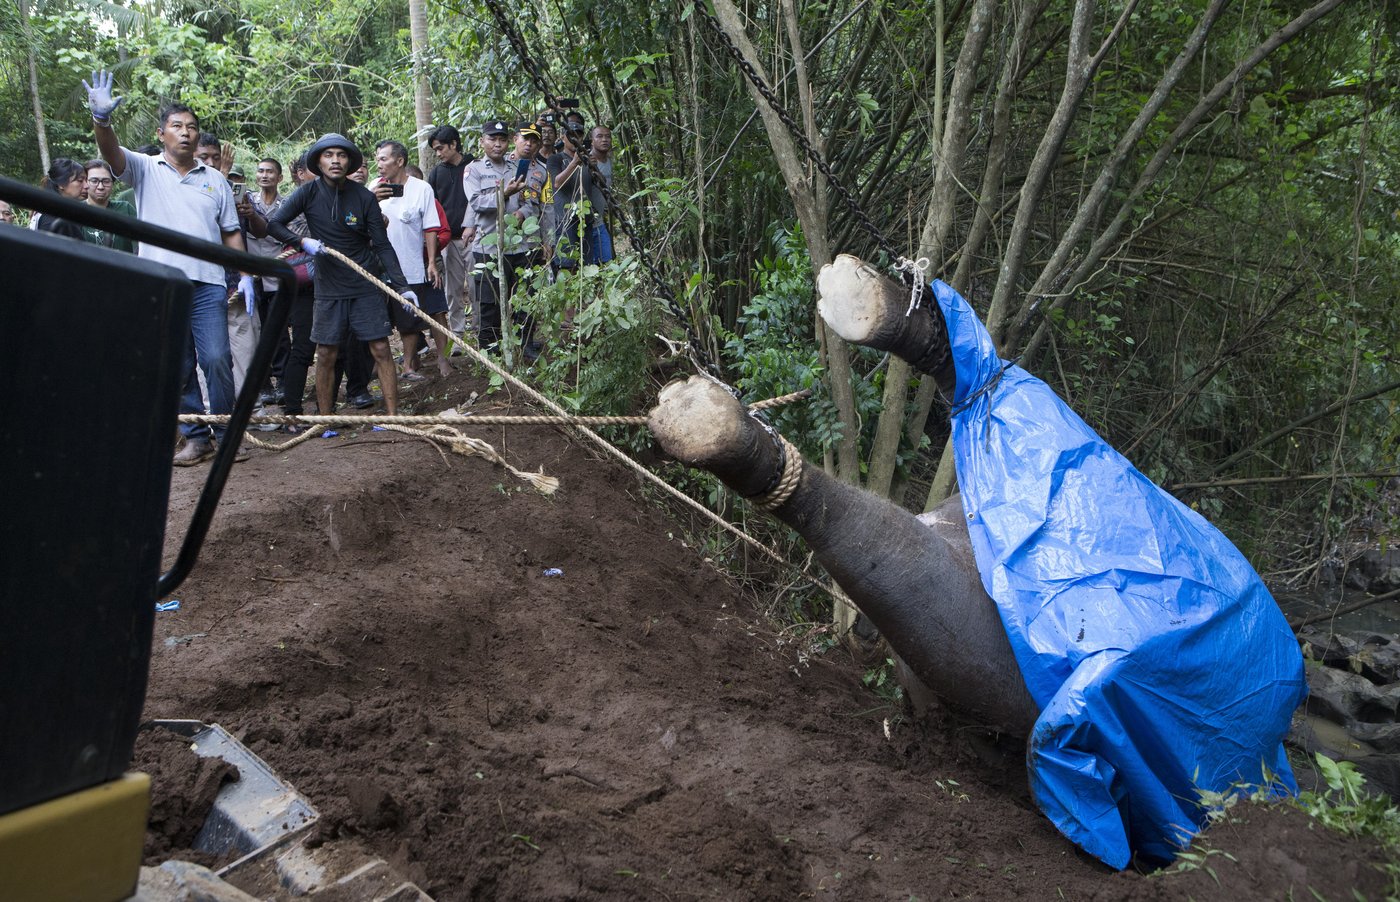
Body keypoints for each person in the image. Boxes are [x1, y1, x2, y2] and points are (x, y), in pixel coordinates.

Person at [84, 70, 256, 466]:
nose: (186, 133)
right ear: (162, 134)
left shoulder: (215, 180)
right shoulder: (145, 168)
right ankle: (197, 438)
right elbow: (112, 155)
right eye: (177, 126)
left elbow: (230, 233)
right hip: (163, 283)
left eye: (192, 127)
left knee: (215, 358)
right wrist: (102, 121)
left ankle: (228, 434)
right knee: (178, 364)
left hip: (209, 283)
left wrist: (246, 274)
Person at [265, 133, 414, 418]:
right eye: (328, 155)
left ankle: (394, 416)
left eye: (342, 155)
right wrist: (302, 243)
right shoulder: (307, 193)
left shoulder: (364, 197)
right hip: (328, 285)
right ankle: (325, 419)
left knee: (381, 348)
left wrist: (402, 285)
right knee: (326, 353)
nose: (336, 160)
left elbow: (381, 244)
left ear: (350, 161)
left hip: (364, 283)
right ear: (319, 161)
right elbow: (274, 224)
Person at [371, 140, 452, 379]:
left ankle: (429, 361)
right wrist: (371, 198)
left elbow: (430, 228)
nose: (379, 164)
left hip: (413, 263)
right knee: (390, 319)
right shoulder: (374, 187)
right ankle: (395, 365)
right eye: (377, 159)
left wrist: (430, 263)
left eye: (383, 159)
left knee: (423, 315)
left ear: (400, 161)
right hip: (381, 266)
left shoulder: (422, 189)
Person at [463, 120, 538, 354]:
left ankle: (525, 346)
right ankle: (490, 352)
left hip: (518, 246)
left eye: (502, 139)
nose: (497, 144)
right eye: (492, 139)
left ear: (508, 142)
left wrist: (521, 212)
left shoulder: (517, 167)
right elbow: (476, 203)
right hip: (488, 247)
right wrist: (503, 194)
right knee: (490, 303)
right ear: (482, 141)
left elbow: (530, 203)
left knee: (524, 299)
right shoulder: (473, 169)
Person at [427, 125, 472, 337]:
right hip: (449, 240)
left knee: (477, 286)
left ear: (454, 144)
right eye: (435, 149)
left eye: (440, 148)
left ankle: (483, 332)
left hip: (475, 237)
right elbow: (432, 207)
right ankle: (457, 333)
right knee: (452, 290)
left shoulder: (474, 166)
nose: (438, 153)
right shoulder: (436, 173)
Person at [545, 112, 596, 272]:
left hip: (585, 220)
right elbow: (557, 182)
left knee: (586, 266)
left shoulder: (587, 159)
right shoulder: (556, 159)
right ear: (563, 137)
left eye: (578, 135)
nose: (575, 139)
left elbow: (599, 186)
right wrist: (574, 162)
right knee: (567, 266)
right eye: (571, 135)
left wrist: (594, 166)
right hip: (565, 222)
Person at [83, 159, 137, 252]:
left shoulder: (125, 209)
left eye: (106, 181)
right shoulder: (75, 211)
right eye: (94, 181)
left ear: (113, 183)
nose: (100, 187)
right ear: (85, 182)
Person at [32, 159, 88, 240]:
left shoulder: (56, 211)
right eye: (80, 181)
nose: (87, 186)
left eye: (86, 180)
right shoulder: (52, 219)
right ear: (61, 184)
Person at [585, 125, 616, 264]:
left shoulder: (609, 160)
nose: (604, 140)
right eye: (599, 136)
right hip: (585, 224)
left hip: (600, 222)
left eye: (607, 136)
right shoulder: (586, 161)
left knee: (606, 262)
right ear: (592, 141)